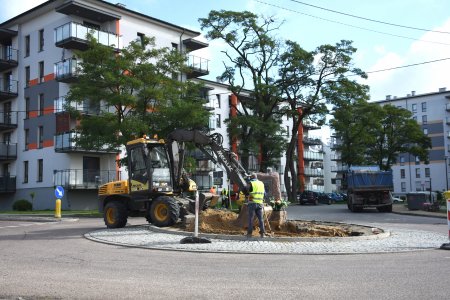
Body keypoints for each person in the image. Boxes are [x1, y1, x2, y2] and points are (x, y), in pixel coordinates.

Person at [245, 173, 266, 238]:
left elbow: (246, 191)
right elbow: (265, 194)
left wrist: (247, 181)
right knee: (261, 219)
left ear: (251, 177)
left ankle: (249, 233)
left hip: (252, 203)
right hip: (260, 203)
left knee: (251, 219)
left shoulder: (251, 183)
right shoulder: (261, 183)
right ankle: (262, 233)